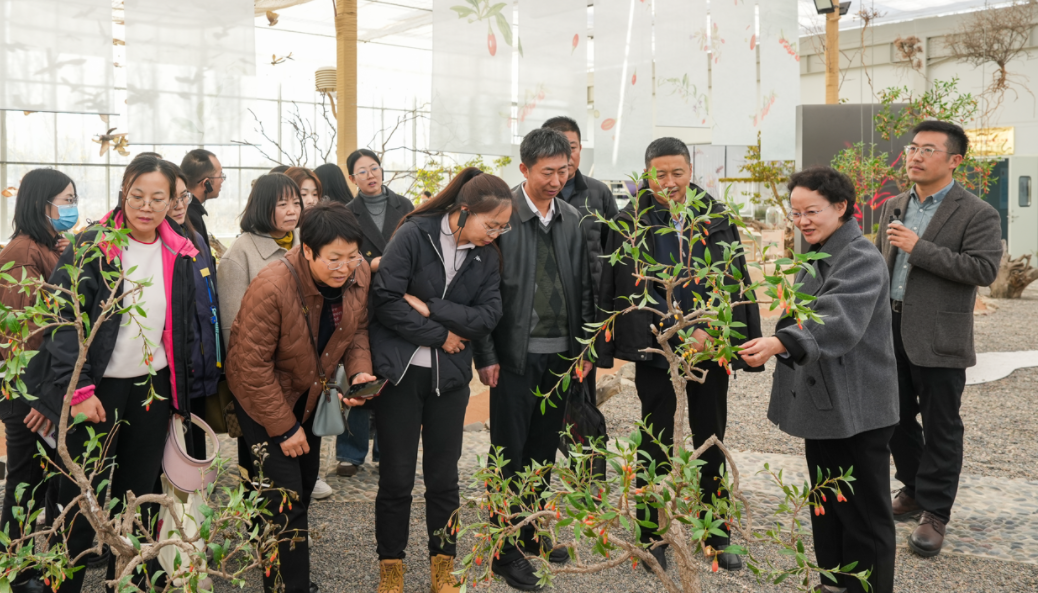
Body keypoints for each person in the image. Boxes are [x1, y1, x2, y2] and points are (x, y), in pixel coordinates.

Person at [24, 156, 199, 593]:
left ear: (173, 201)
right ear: (123, 192)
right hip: (96, 390)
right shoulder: (93, 246)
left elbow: (184, 328)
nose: (146, 207)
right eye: (137, 196)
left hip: (151, 390)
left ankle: (129, 584)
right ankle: (63, 584)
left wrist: (181, 394)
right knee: (81, 499)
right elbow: (63, 321)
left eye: (158, 198)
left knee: (137, 499)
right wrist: (79, 390)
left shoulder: (179, 249)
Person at [596, 138, 761, 573]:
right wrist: (674, 331)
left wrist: (713, 327)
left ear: (691, 171)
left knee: (711, 436)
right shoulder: (630, 221)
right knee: (655, 439)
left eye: (677, 173)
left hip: (709, 346)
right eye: (659, 174)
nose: (669, 182)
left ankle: (715, 532)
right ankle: (652, 534)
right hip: (659, 347)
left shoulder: (715, 215)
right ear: (646, 175)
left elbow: (732, 276)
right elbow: (628, 284)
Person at [740, 166, 898, 593]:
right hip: (828, 404)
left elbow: (837, 318)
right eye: (796, 213)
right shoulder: (819, 252)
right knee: (827, 503)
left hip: (858, 407)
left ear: (841, 207)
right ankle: (833, 583)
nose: (802, 221)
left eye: (812, 211)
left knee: (864, 516)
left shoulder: (860, 256)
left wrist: (779, 342)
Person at [369, 168, 508, 593]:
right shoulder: (415, 234)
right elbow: (385, 300)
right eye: (491, 225)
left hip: (449, 381)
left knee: (444, 478)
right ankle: (391, 567)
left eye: (502, 228)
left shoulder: (487, 256)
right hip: (401, 375)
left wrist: (431, 307)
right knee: (396, 477)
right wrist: (441, 335)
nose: (495, 234)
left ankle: (443, 566)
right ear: (465, 211)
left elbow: (488, 317)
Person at [225, 201, 375, 593]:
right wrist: (284, 428)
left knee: (303, 487)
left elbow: (357, 330)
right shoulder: (273, 284)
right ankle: (289, 586)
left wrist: (359, 371)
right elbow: (249, 367)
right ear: (307, 250)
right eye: (334, 259)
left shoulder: (357, 273)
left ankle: (281, 568)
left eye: (352, 256)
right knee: (284, 499)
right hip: (264, 399)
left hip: (309, 393)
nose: (345, 267)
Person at [472, 128, 594, 591]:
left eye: (565, 170)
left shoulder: (573, 218)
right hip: (513, 357)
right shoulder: (503, 217)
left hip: (561, 356)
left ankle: (531, 530)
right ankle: (503, 549)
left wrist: (584, 349)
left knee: (543, 451)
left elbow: (584, 286)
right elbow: (484, 292)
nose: (557, 180)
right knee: (508, 453)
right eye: (548, 172)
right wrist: (485, 354)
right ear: (523, 169)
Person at [875, 121, 1002, 557]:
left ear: (954, 160)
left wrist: (919, 247)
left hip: (940, 335)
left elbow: (983, 270)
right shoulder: (894, 205)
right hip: (889, 328)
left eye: (928, 149)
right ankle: (914, 487)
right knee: (891, 417)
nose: (915, 156)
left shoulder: (978, 212)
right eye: (913, 147)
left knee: (941, 425)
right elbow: (882, 264)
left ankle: (935, 513)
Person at [216, 174, 334, 499]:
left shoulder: (306, 243)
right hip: (263, 380)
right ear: (262, 206)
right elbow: (233, 333)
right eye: (282, 204)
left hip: (306, 377)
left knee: (304, 469)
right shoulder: (240, 254)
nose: (293, 210)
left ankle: (295, 524)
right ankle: (263, 530)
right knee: (264, 473)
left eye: (296, 202)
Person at [0, 168, 74, 593]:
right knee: (24, 482)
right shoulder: (23, 253)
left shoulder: (44, 247)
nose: (72, 207)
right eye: (66, 200)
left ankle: (35, 563)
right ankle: (17, 572)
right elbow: (22, 338)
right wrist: (41, 401)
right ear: (40, 204)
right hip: (28, 393)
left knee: (43, 478)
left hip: (40, 392)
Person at [338, 149, 413, 477]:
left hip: (399, 298)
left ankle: (388, 450)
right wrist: (370, 264)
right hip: (361, 298)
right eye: (362, 171)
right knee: (358, 372)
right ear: (352, 178)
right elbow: (342, 255)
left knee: (394, 376)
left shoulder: (405, 206)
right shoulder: (346, 213)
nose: (371, 175)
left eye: (374, 168)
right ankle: (350, 453)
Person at [168, 163, 222, 456]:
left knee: (197, 441)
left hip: (202, 360)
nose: (179, 205)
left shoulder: (195, 238)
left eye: (183, 197)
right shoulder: (158, 245)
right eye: (171, 198)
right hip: (176, 367)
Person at [181, 148, 225, 253]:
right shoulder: (189, 216)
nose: (222, 180)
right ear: (206, 183)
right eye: (220, 176)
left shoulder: (186, 208)